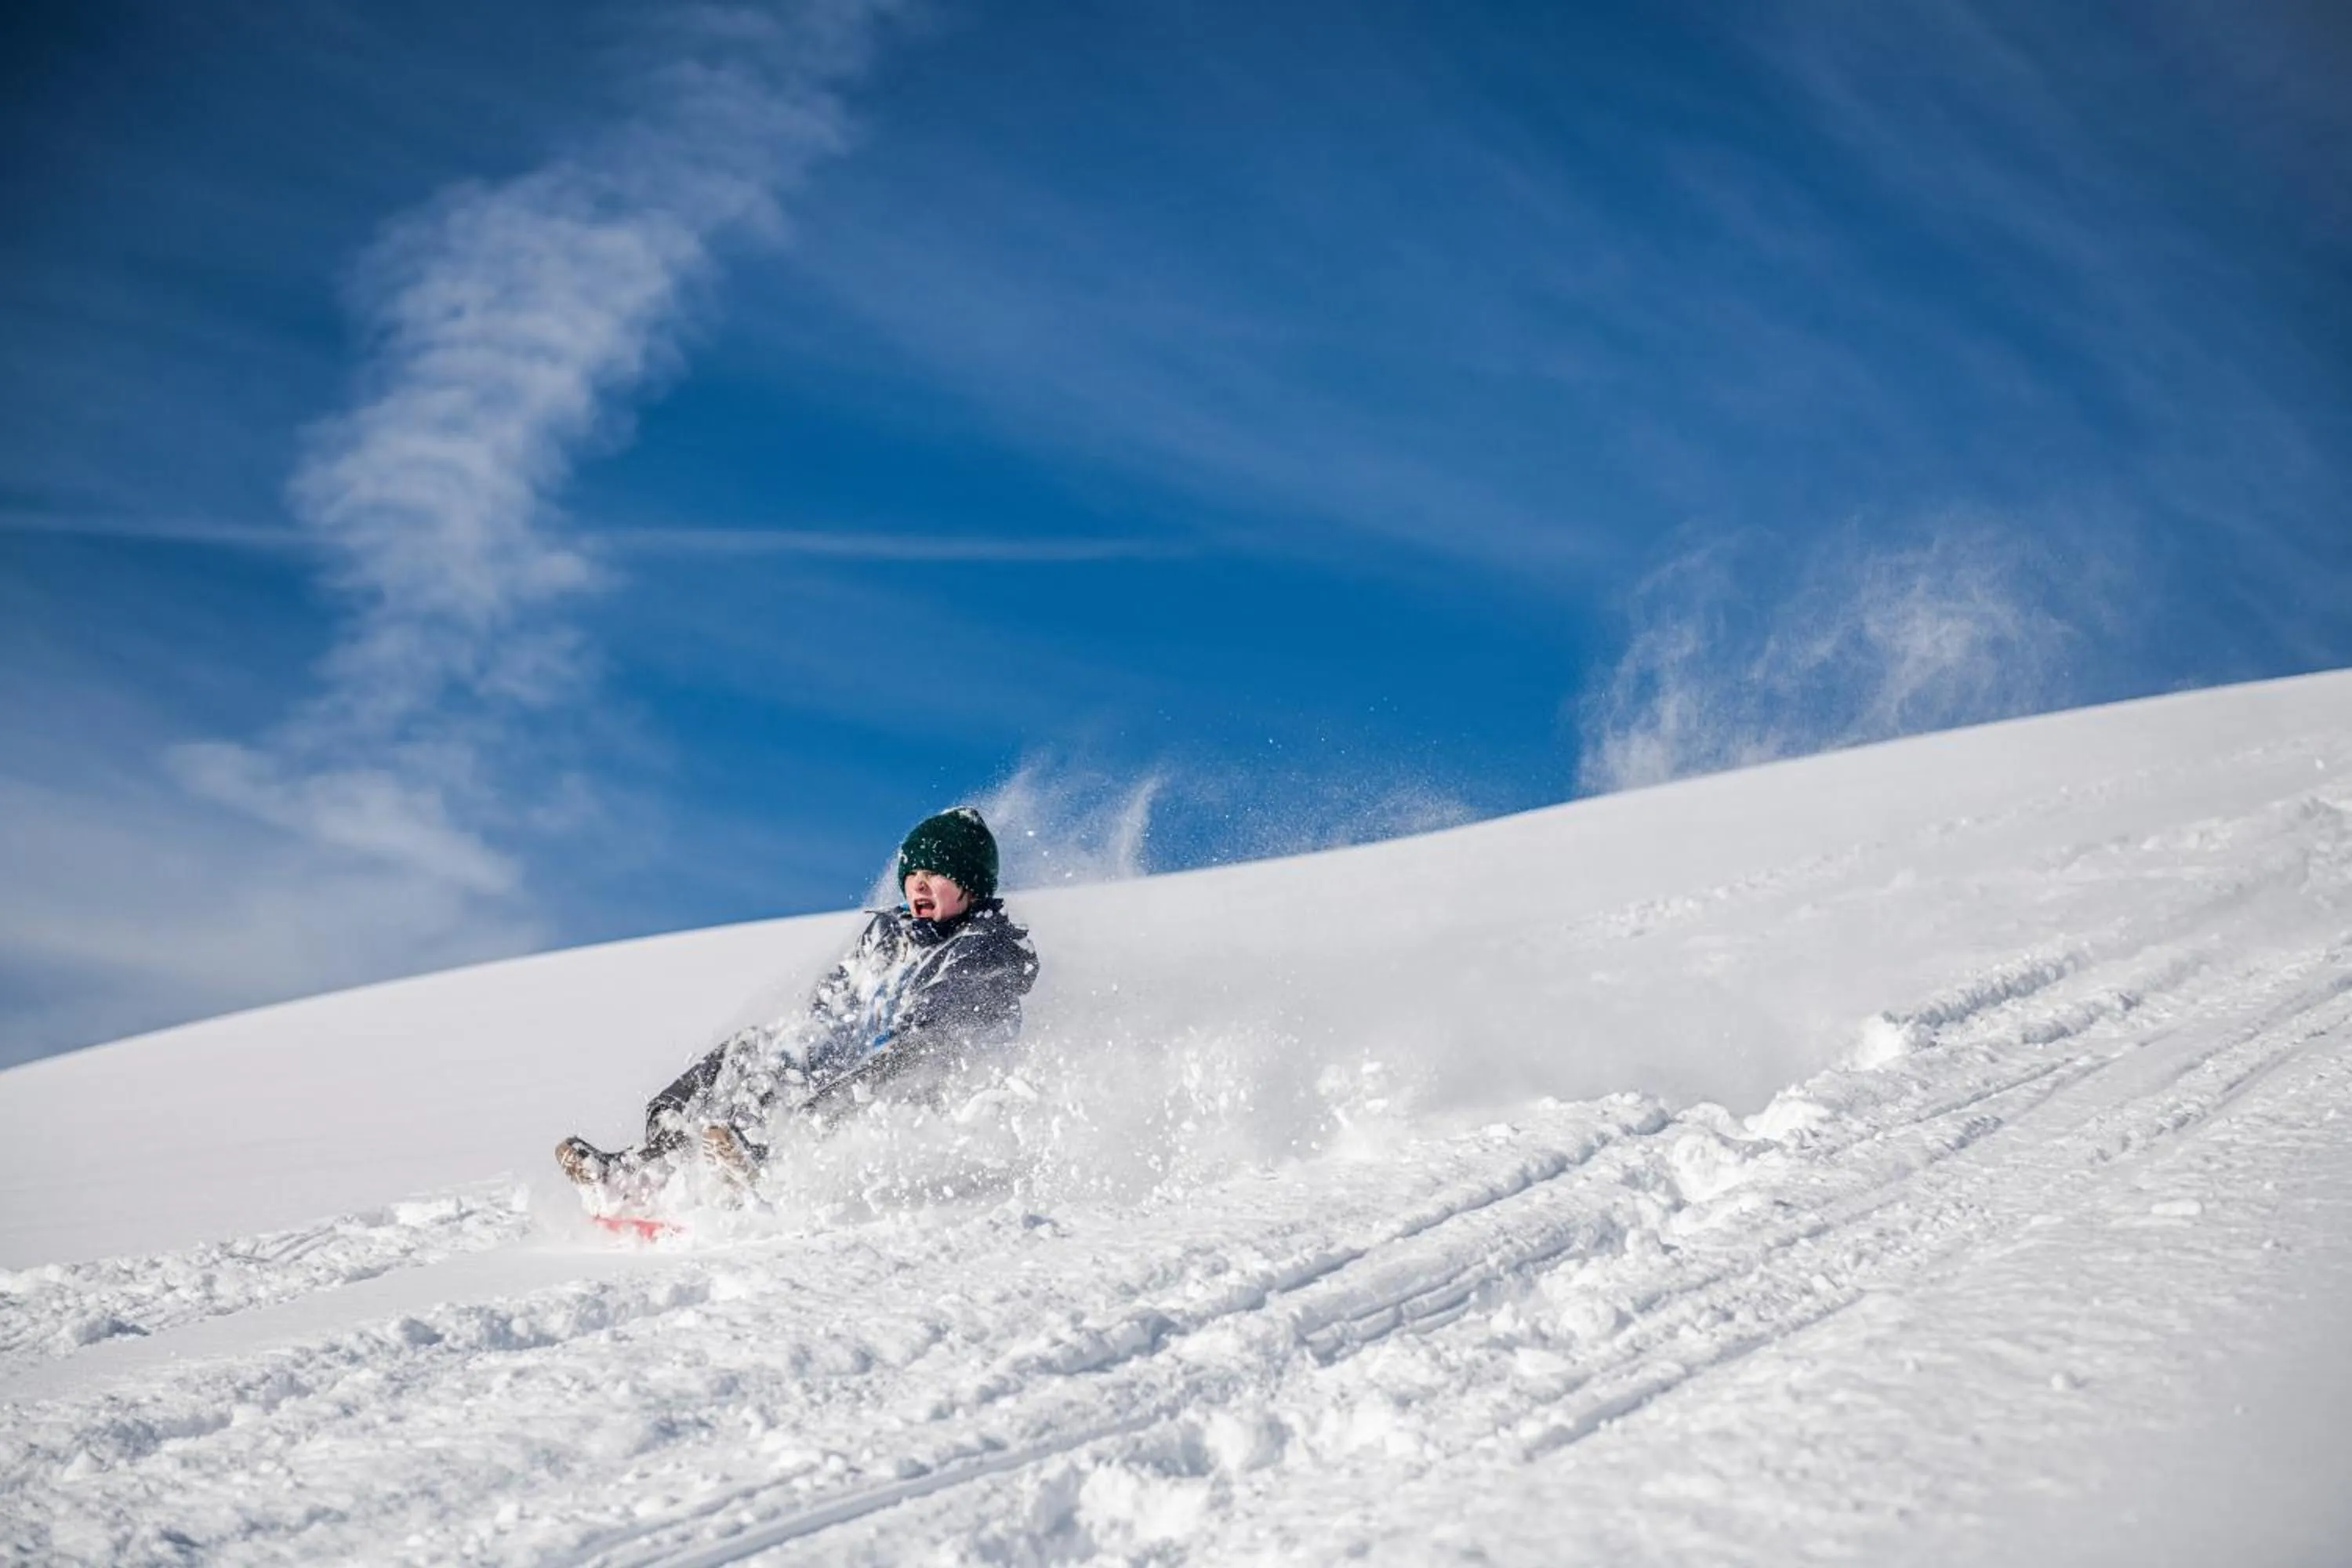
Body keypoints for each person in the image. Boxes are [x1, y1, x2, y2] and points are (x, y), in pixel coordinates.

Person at [557, 807, 1039, 1195]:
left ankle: (769, 1160)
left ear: (969, 883)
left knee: (896, 1059)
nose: (918, 884)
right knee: (755, 1048)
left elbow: (937, 1029)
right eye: (912, 873)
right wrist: (787, 1053)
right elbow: (834, 1008)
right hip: (865, 1061)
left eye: (935, 873)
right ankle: (651, 1163)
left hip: (934, 1082)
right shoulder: (891, 933)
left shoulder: (986, 946)